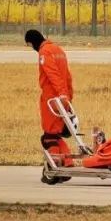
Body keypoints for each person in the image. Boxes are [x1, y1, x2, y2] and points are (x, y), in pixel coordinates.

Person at [25, 30, 75, 166]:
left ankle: (55, 167)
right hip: (63, 98)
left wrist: (61, 94)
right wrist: (68, 96)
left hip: (51, 98)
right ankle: (68, 162)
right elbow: (67, 76)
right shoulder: (58, 49)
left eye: (30, 45)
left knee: (48, 136)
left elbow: (53, 75)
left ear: (32, 42)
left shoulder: (44, 52)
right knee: (56, 135)